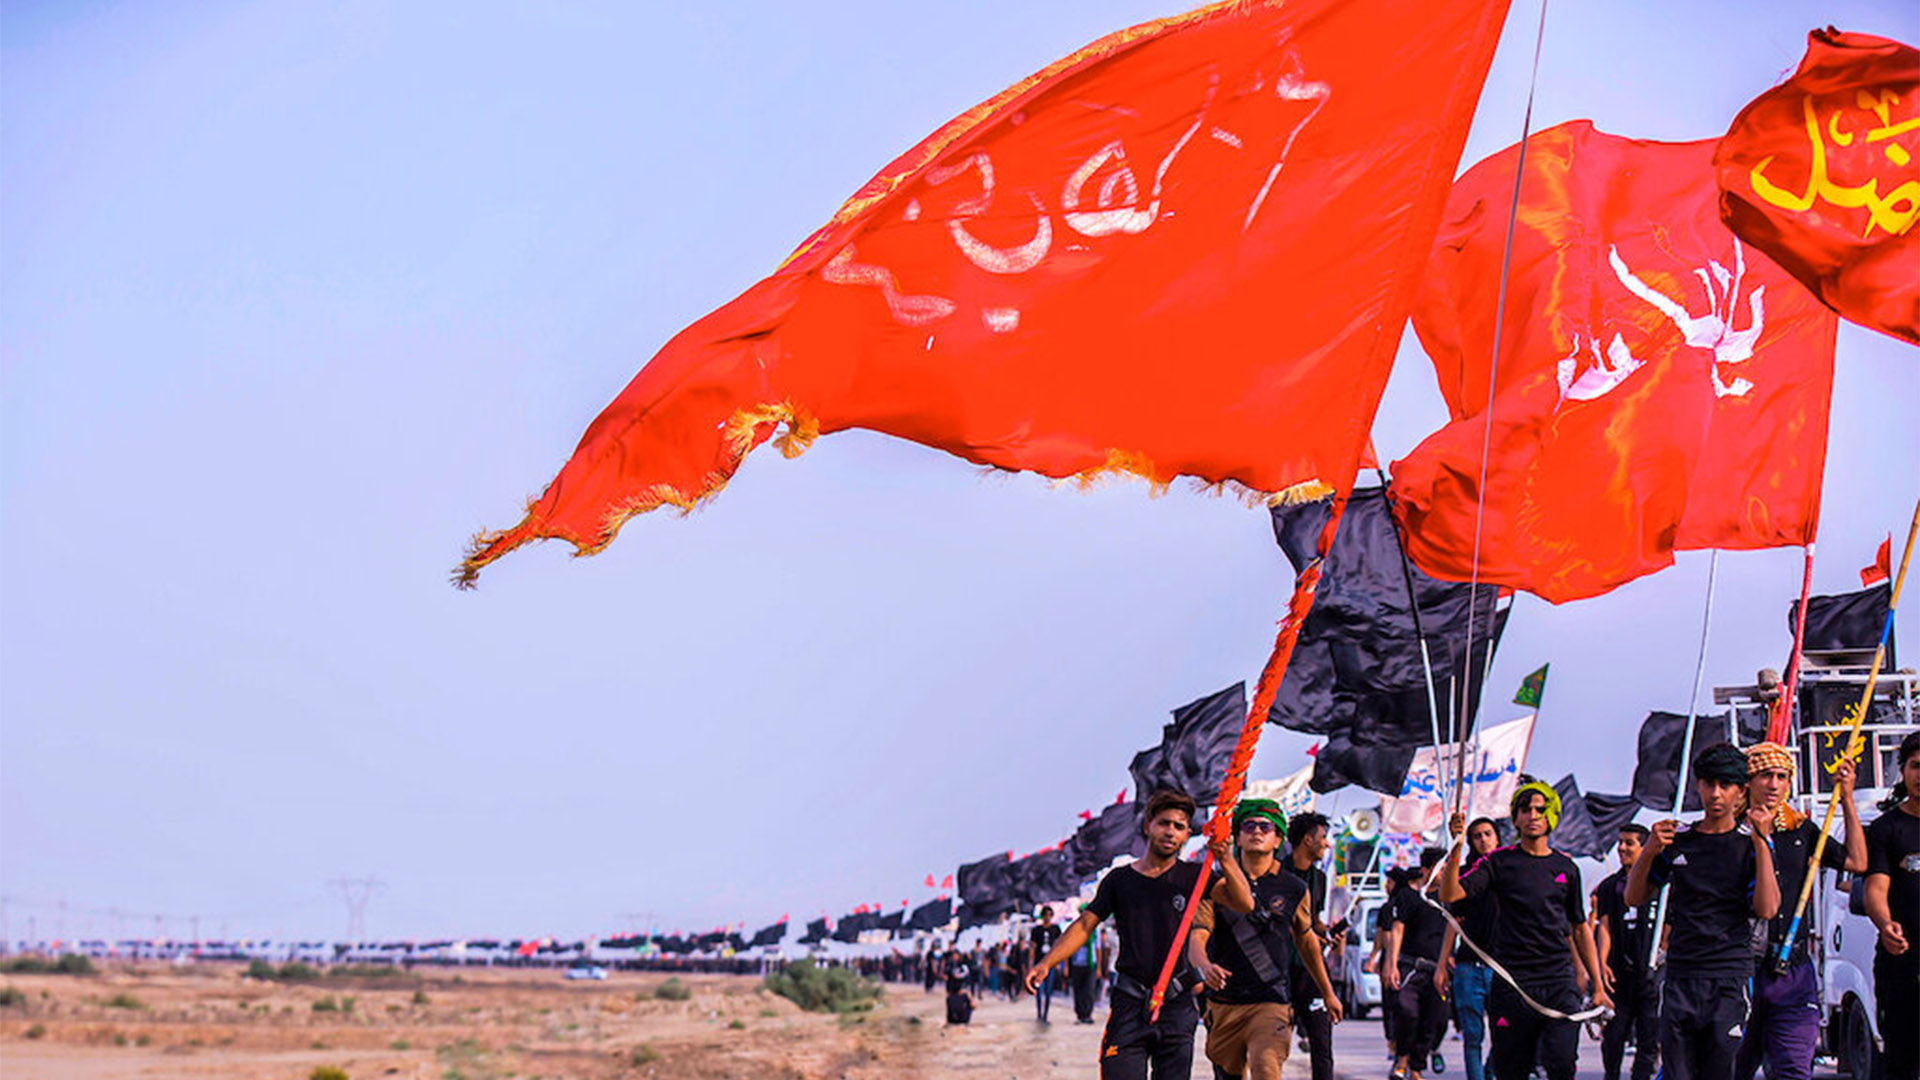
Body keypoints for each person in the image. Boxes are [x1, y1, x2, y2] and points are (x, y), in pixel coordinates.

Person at [1028, 788, 1254, 1079]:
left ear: (1187, 835)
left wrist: (1226, 857)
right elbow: (1085, 925)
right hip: (1130, 1002)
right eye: (1164, 823)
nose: (1170, 832)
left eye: (1179, 827)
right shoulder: (1120, 880)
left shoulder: (1194, 877)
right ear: (1148, 826)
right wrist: (1046, 963)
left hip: (1177, 1005)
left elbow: (1244, 903)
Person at [1625, 743, 1780, 1080]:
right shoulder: (1678, 840)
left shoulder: (1749, 844)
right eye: (1709, 784)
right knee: (1678, 1073)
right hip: (1681, 975)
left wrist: (1762, 842)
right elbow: (1634, 897)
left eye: (1725, 785)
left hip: (1729, 977)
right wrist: (1649, 850)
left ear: (1741, 791)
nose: (1716, 793)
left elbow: (1767, 909)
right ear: (1698, 785)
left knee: (1720, 1070)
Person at [1440, 780, 1611, 1080]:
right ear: (1516, 818)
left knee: (1561, 1063)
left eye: (1540, 810)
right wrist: (1456, 847)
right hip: (1512, 983)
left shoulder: (1566, 868)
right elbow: (1450, 894)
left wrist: (1597, 984)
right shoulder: (1498, 862)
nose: (1532, 815)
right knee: (1511, 1070)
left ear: (1551, 816)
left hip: (1558, 982)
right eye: (1525, 809)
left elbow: (1579, 928)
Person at [1736, 742, 1866, 1080]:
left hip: (1792, 971)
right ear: (1747, 781)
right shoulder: (1729, 832)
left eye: (1782, 777)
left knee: (1794, 1071)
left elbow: (1857, 862)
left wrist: (1847, 799)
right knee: (1729, 1068)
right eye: (1766, 775)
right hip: (1739, 971)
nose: (1774, 784)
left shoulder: (1801, 829)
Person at [1188, 798, 1344, 1080]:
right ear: (1237, 837)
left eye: (1265, 827)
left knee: (1266, 1068)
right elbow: (1197, 936)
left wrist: (1328, 992)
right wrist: (1205, 966)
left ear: (1278, 839)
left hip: (1271, 1002)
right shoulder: (1215, 885)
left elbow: (1307, 942)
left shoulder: (1294, 888)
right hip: (1224, 1004)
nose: (1257, 832)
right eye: (1248, 826)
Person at [1864, 730, 1920, 1080]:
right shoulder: (1886, 828)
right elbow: (1875, 888)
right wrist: (1885, 925)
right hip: (1903, 964)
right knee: (1903, 1063)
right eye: (1916, 766)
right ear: (1903, 770)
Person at [1435, 816, 1500, 1080]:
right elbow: (1453, 922)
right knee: (1472, 1036)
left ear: (1497, 837)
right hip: (1469, 966)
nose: (1483, 840)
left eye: (1488, 834)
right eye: (1477, 836)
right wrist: (1442, 965)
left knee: (1506, 1032)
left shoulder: (1510, 871)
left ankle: (1489, 1073)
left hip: (1503, 968)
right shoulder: (1463, 875)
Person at [1593, 823, 1659, 1080]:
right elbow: (1605, 927)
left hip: (1650, 973)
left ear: (1644, 848)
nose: (1622, 848)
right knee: (1613, 1037)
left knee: (1648, 1038)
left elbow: (1668, 924)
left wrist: (1662, 956)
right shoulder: (1610, 886)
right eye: (1620, 842)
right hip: (1619, 974)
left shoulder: (1660, 883)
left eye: (1629, 843)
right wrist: (1602, 964)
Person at [1280, 811, 1339, 1080]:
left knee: (1322, 1042)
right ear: (1307, 840)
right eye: (1323, 837)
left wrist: (1326, 932)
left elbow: (1313, 920)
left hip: (1310, 969)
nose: (1327, 843)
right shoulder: (1276, 873)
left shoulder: (1320, 879)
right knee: (1273, 1044)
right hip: (1278, 968)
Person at [1383, 848, 1450, 1080]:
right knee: (1406, 1010)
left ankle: (1416, 1068)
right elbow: (1397, 930)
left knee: (1435, 1019)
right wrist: (1391, 964)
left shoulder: (1447, 897)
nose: (1444, 873)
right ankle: (1402, 1057)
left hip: (1438, 969)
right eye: (1440, 869)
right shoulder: (1408, 896)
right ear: (1426, 870)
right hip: (1411, 966)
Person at [1066, 902, 1102, 1023]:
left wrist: (1099, 968)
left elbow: (1098, 949)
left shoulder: (1095, 930)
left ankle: (1088, 1014)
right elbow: (1069, 947)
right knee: (1078, 990)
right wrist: (1067, 966)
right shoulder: (1076, 928)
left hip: (1091, 964)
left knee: (1089, 990)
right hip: (1077, 963)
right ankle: (1080, 1014)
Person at [1032, 905, 1063, 1022]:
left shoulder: (1055, 929)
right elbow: (1032, 947)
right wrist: (1031, 964)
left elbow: (1060, 945)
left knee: (1048, 990)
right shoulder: (1036, 930)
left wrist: (1058, 961)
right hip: (1039, 963)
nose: (1047, 917)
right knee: (1039, 989)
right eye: (1045, 915)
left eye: (1050, 915)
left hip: (1051, 964)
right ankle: (1039, 1014)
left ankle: (1045, 1014)